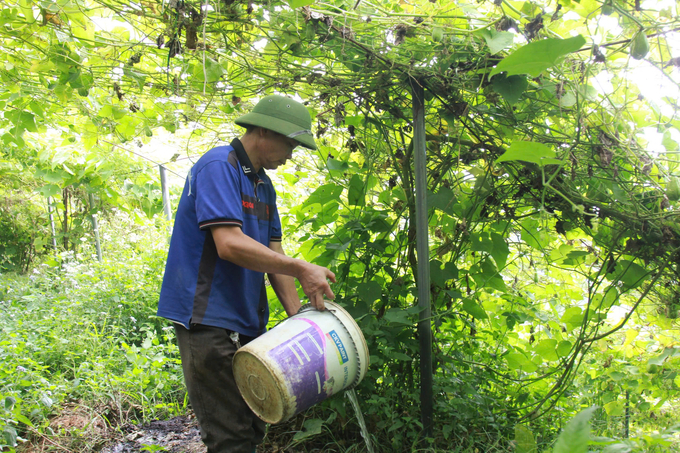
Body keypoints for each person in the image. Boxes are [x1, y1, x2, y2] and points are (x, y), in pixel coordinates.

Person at [157, 95, 336, 453]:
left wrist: (298, 317)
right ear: (264, 131)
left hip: (246, 321)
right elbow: (229, 244)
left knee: (255, 420)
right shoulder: (218, 166)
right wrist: (302, 267)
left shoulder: (263, 186)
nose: (291, 154)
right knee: (230, 433)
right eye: (289, 144)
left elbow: (274, 253)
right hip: (206, 318)